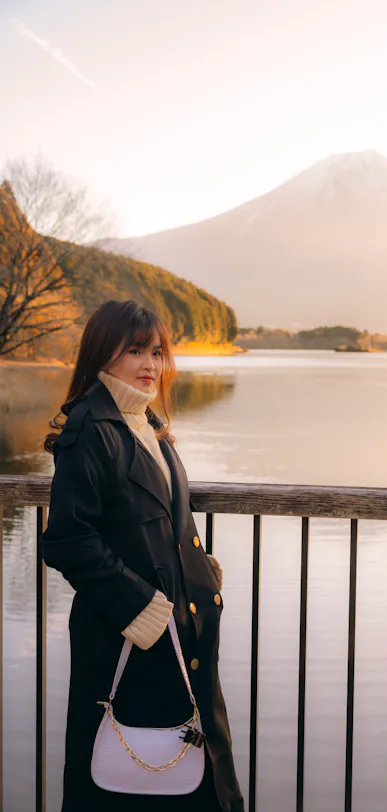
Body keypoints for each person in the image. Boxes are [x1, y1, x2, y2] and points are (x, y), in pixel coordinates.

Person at [40, 300, 244, 812]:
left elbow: (157, 519)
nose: (150, 363)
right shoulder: (89, 429)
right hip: (129, 639)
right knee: (129, 781)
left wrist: (198, 573)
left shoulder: (145, 423)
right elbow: (68, 539)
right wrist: (143, 608)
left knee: (192, 771)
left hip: (179, 631)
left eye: (156, 351)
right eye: (135, 350)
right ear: (102, 354)